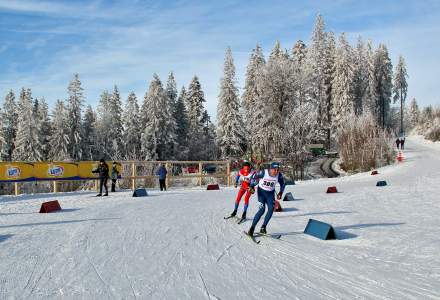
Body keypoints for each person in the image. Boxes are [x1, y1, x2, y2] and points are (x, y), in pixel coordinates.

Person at [247, 162, 286, 236]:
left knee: (271, 208)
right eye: (274, 170)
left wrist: (280, 192)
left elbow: (282, 184)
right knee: (262, 210)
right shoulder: (263, 172)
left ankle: (263, 227)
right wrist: (251, 186)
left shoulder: (279, 175)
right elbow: (253, 177)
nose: (276, 171)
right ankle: (252, 228)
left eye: (278, 169)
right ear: (270, 169)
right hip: (261, 193)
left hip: (270, 194)